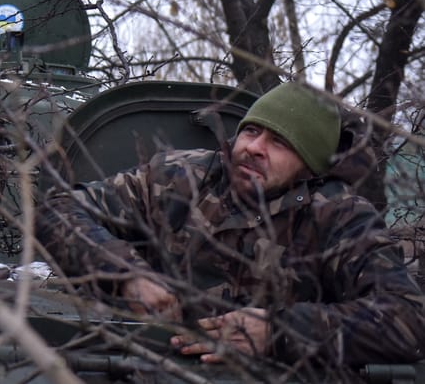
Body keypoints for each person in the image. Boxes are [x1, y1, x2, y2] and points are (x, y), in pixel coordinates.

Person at [36, 81, 425, 371]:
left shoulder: (340, 217)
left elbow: (408, 318)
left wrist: (278, 331)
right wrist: (125, 275)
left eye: (279, 142)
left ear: (309, 165)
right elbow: (57, 209)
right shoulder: (181, 177)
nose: (254, 148)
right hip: (153, 364)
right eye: (252, 131)